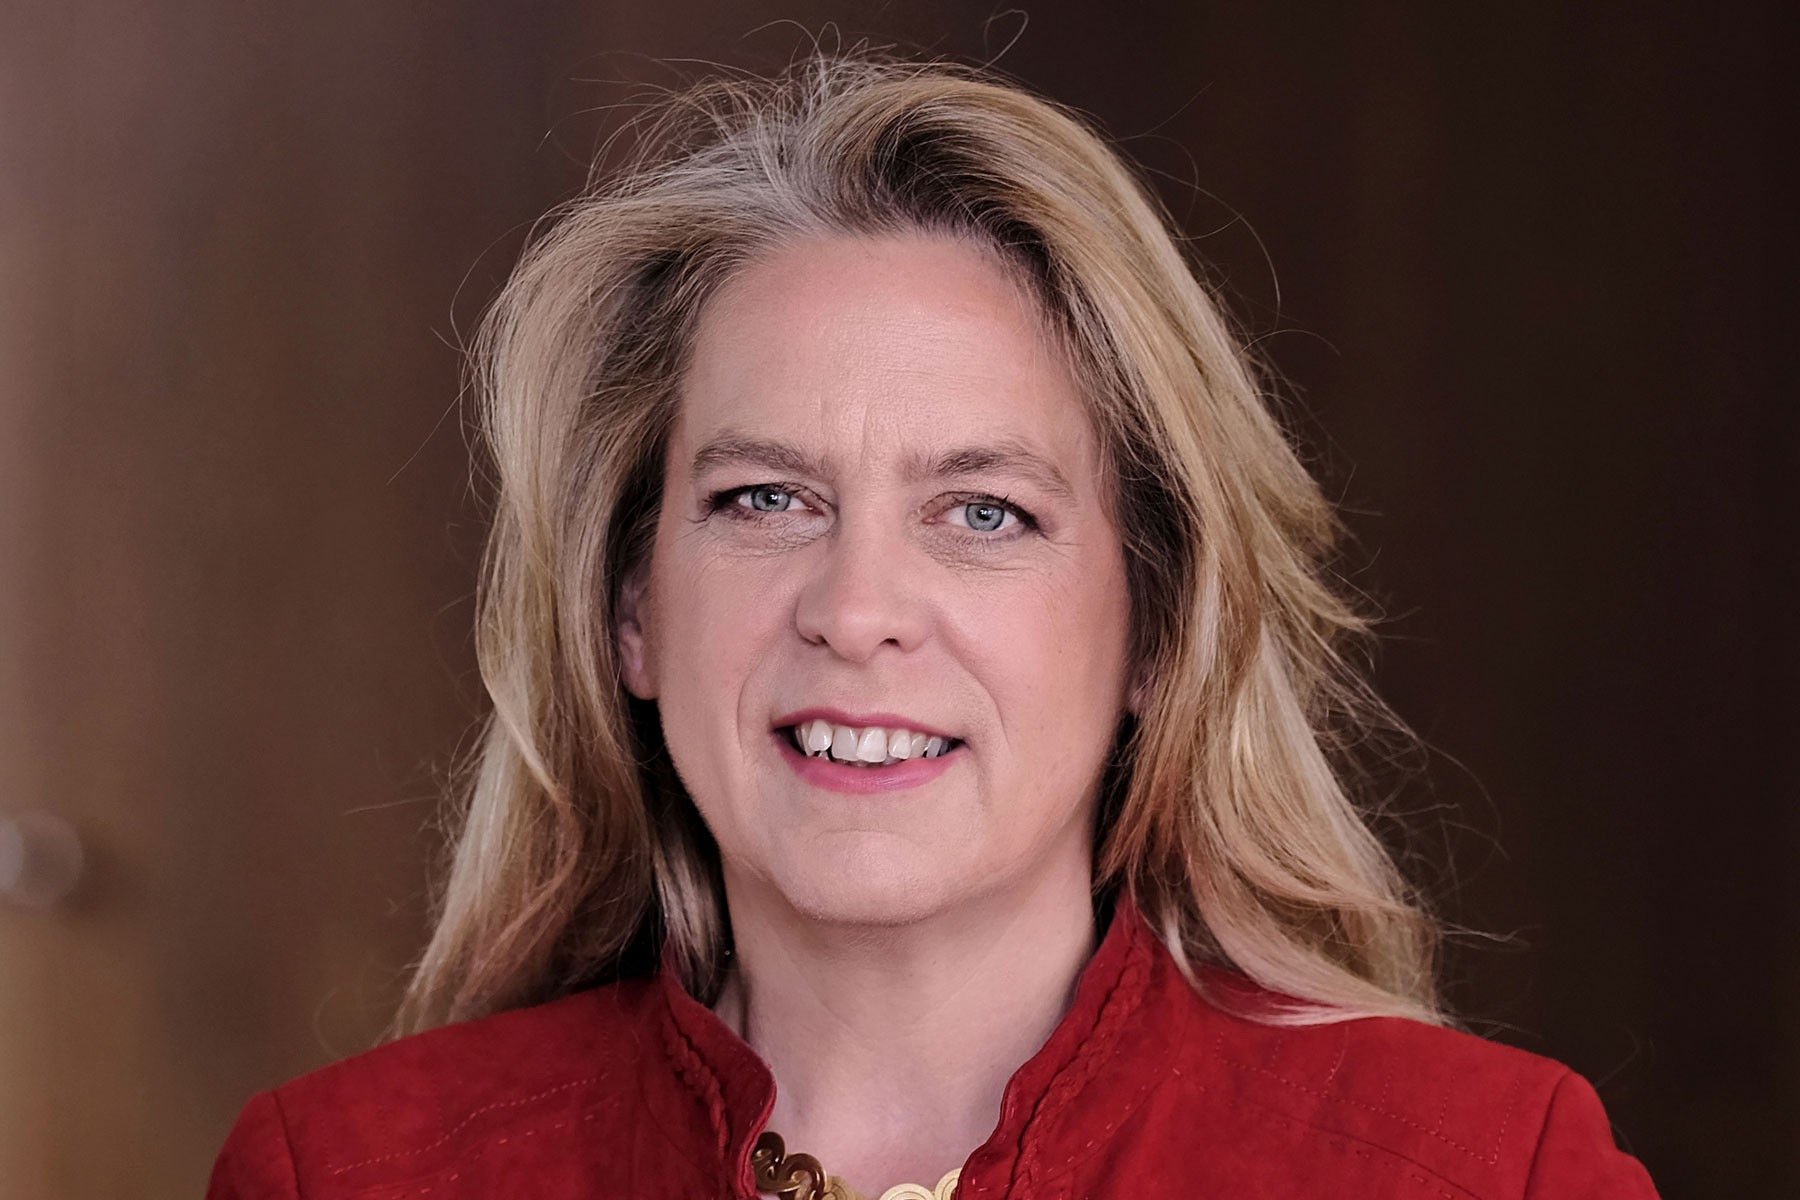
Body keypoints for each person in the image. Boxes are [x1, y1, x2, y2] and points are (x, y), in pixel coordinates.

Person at [208, 53, 1657, 1200]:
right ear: (632, 610)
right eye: (766, 498)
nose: (857, 613)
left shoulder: (1487, 1171)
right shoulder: (349, 1176)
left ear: (1159, 627)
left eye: (985, 513)